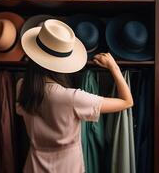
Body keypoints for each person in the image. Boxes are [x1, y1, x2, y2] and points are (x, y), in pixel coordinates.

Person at [18, 19, 133, 173]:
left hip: (33, 166)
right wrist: (114, 67)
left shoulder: (21, 87)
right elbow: (127, 101)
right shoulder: (72, 98)